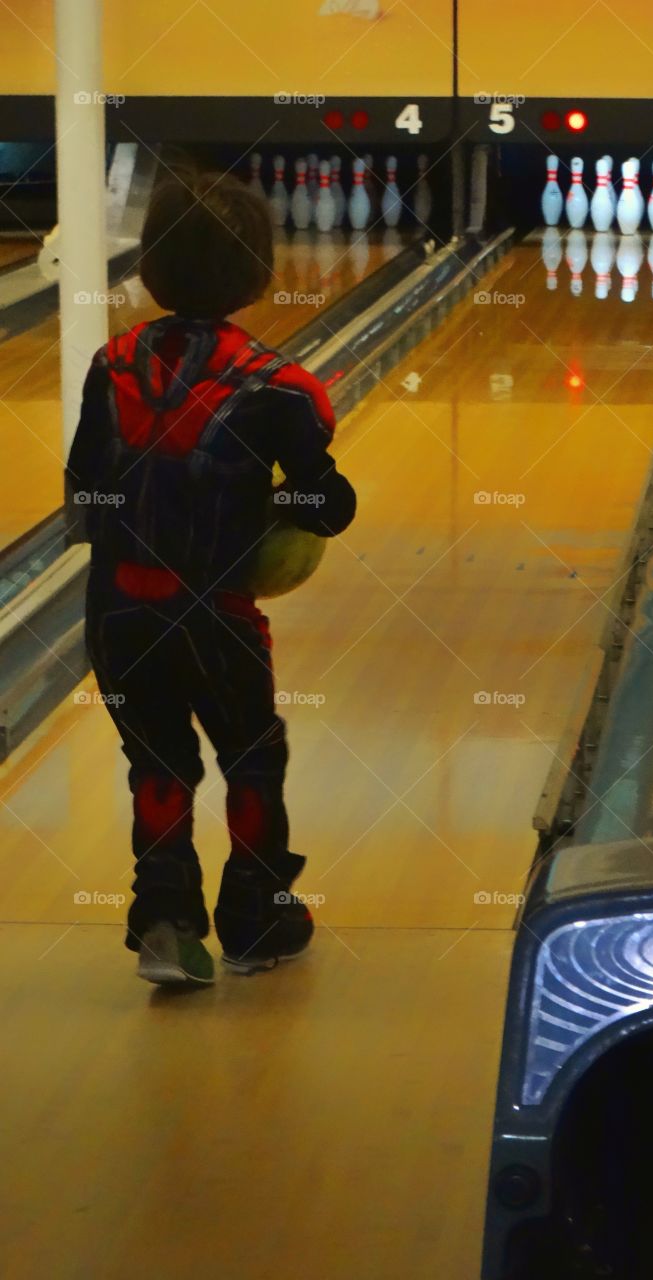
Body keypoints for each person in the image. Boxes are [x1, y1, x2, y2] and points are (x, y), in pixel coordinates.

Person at [66, 167, 356, 986]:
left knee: (157, 764)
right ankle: (257, 922)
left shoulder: (111, 363)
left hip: (117, 610)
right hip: (216, 615)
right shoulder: (282, 387)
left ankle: (167, 926)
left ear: (150, 265)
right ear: (258, 274)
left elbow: (83, 488)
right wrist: (293, 505)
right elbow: (323, 505)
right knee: (252, 755)